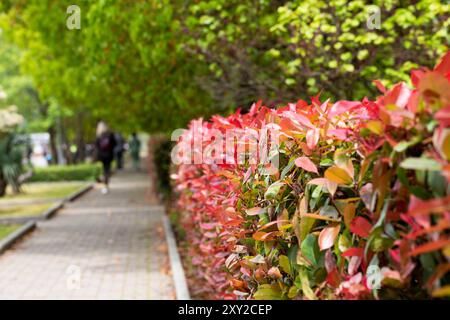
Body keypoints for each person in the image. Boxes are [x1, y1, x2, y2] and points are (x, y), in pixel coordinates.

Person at [95, 121, 116, 194]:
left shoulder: (99, 135)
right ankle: (105, 184)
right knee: (107, 169)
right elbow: (114, 144)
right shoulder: (110, 134)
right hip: (109, 155)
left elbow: (97, 146)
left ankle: (104, 185)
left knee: (104, 169)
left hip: (102, 155)